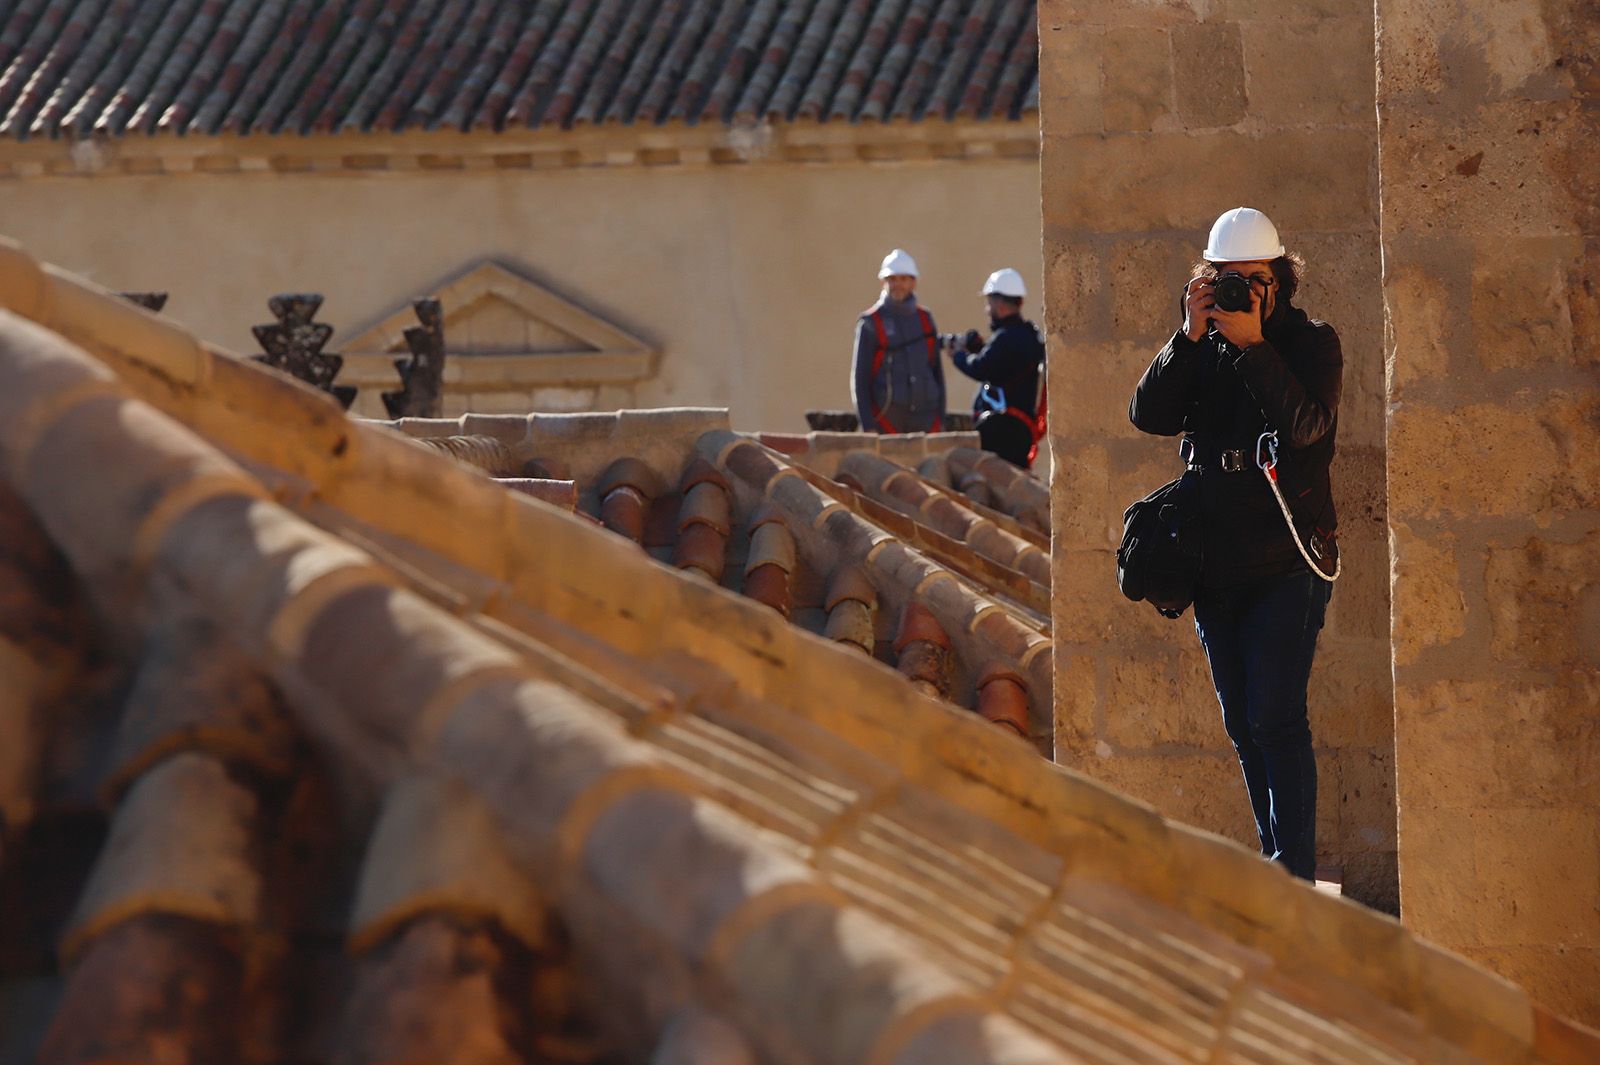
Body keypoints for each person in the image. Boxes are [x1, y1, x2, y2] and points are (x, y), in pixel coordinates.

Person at [1127, 207, 1343, 882]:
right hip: (1213, 561)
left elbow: (1308, 428)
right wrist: (1187, 337)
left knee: (1277, 714)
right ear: (1207, 280)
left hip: (1286, 558)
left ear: (1280, 279)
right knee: (1244, 724)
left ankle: (1296, 872)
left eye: (1255, 278)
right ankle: (1275, 863)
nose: (1241, 291)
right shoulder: (1204, 343)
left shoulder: (1310, 343)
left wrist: (1255, 347)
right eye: (1227, 278)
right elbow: (1149, 415)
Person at [948, 268, 1046, 468]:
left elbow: (982, 368)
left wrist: (958, 356)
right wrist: (980, 348)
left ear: (1000, 305)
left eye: (989, 303)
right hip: (1020, 432)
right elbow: (1003, 365)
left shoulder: (1006, 338)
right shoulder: (1027, 334)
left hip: (1002, 432)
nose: (987, 309)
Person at [851, 249, 945, 434]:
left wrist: (940, 419)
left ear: (913, 282)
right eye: (892, 279)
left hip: (925, 422)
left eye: (903, 279)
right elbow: (860, 379)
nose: (898, 285)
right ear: (883, 282)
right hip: (886, 422)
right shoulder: (870, 323)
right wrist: (868, 425)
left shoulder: (925, 319)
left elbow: (937, 373)